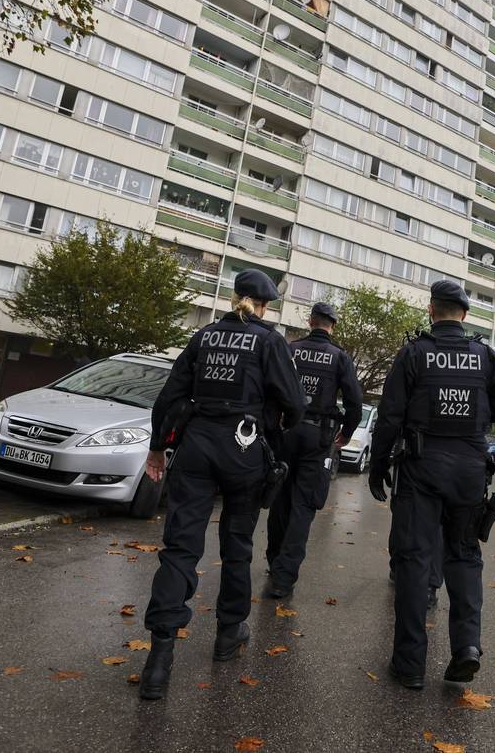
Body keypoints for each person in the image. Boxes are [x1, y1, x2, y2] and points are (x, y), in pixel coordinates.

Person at [138, 269, 306, 700]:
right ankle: (229, 632)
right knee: (237, 545)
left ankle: (158, 659)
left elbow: (169, 396)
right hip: (244, 449)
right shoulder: (269, 342)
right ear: (263, 305)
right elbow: (295, 403)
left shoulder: (205, 335)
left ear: (234, 298)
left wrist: (157, 448)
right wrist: (276, 426)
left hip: (196, 446)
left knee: (180, 547)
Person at [369, 279, 495, 690]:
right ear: (464, 315)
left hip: (421, 468)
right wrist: (478, 410)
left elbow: (389, 415)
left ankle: (409, 665)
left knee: (414, 561)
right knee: (464, 556)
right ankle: (466, 647)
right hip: (470, 471)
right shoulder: (484, 355)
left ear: (431, 311)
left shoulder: (414, 353)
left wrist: (377, 466)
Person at [265, 302, 363, 599]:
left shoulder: (290, 349)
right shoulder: (339, 357)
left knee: (280, 499)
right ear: (333, 325)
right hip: (317, 437)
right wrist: (346, 433)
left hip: (286, 432)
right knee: (303, 506)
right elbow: (355, 403)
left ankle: (274, 560)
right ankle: (283, 578)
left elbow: (270, 390)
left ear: (310, 321)